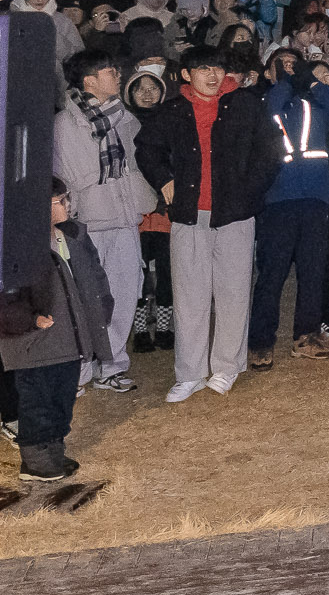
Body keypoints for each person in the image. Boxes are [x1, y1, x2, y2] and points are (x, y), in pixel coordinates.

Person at [134, 45, 284, 401]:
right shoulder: (173, 111)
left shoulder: (246, 105)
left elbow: (271, 151)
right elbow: (146, 148)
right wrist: (164, 179)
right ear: (186, 75)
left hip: (234, 213)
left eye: (217, 68)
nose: (213, 75)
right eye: (203, 69)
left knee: (233, 292)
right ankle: (189, 373)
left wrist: (249, 195)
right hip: (189, 214)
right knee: (190, 296)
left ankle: (227, 367)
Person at [53, 50, 154, 392]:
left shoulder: (125, 118)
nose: (118, 75)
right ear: (90, 80)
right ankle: (79, 372)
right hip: (87, 224)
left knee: (125, 294)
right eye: (110, 71)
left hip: (124, 218)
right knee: (84, 298)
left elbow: (135, 167)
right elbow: (66, 177)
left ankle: (112, 365)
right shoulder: (66, 123)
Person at [0, 182, 113, 482]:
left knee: (62, 396)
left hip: (68, 340)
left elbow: (95, 275)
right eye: (59, 200)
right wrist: (32, 318)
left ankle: (53, 451)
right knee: (38, 400)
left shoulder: (73, 235)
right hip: (33, 345)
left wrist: (102, 306)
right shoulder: (15, 245)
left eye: (65, 199)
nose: (67, 205)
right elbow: (6, 296)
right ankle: (35, 461)